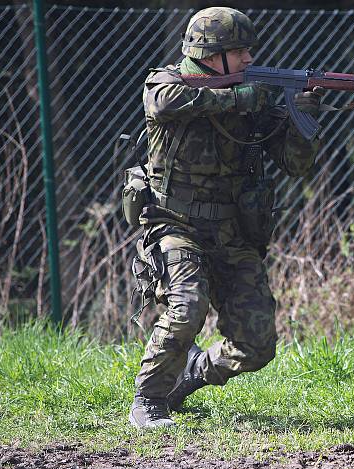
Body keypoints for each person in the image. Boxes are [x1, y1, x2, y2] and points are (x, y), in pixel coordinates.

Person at [128, 7, 322, 429]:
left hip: (231, 232)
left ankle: (193, 373)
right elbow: (163, 103)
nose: (251, 58)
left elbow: (294, 164)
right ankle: (149, 398)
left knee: (257, 345)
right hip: (174, 224)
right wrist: (240, 97)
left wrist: (302, 120)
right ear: (210, 55)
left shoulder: (254, 98)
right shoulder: (167, 83)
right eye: (240, 51)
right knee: (188, 305)